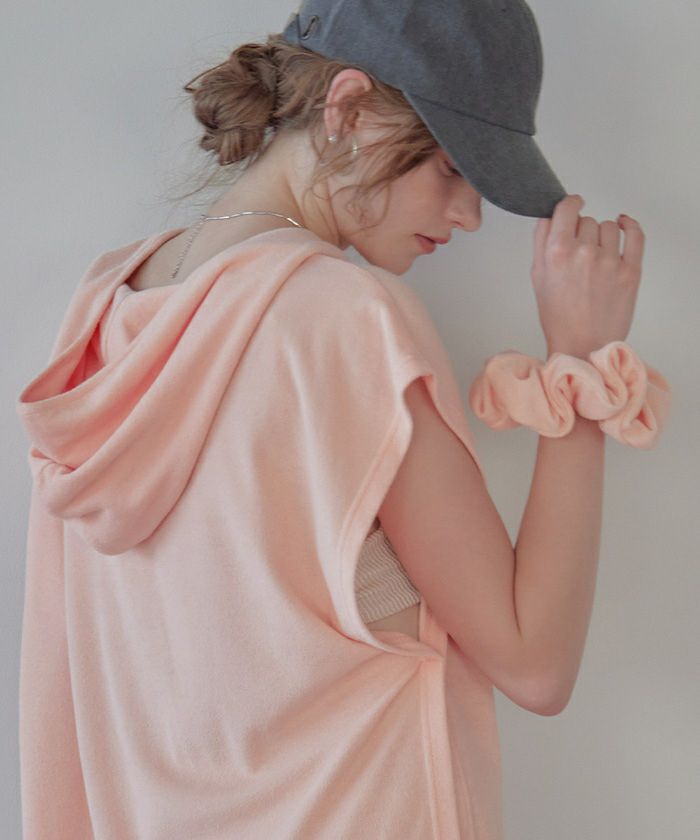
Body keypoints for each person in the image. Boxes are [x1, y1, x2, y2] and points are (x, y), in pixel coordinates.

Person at [15, 2, 670, 838]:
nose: (469, 215)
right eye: (450, 167)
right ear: (349, 108)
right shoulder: (345, 317)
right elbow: (534, 662)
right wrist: (578, 361)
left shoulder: (106, 313)